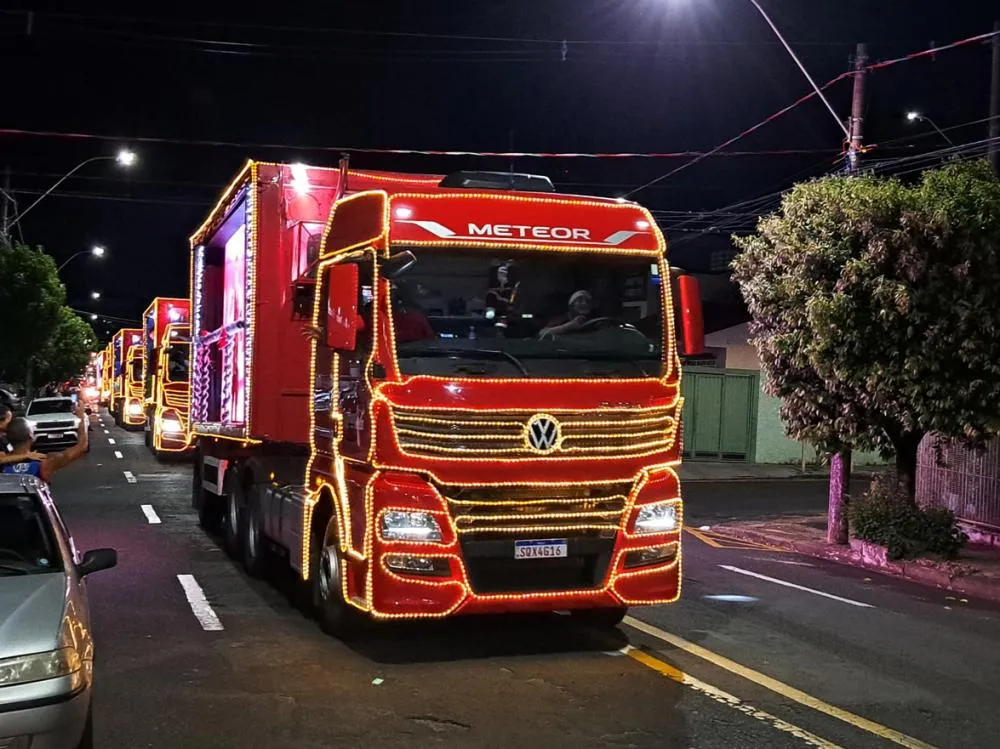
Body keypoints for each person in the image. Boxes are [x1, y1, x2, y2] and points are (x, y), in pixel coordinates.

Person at [1, 403, 88, 481]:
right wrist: (82, 417)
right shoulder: (44, 462)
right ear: (31, 437)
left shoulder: (3, 463)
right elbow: (82, 447)